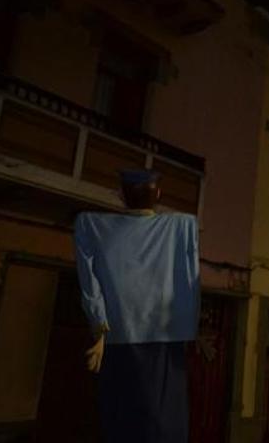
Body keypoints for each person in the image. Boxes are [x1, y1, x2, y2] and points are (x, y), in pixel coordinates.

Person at [74, 169, 199, 443]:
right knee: (164, 422)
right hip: (166, 338)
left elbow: (88, 278)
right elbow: (190, 280)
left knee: (121, 419)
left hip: (119, 335)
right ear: (159, 195)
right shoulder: (183, 226)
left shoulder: (90, 225)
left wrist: (99, 325)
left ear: (121, 196)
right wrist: (190, 325)